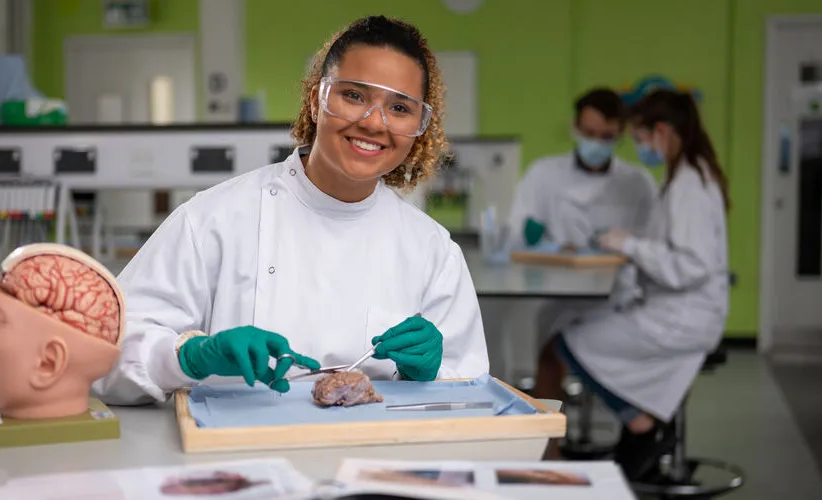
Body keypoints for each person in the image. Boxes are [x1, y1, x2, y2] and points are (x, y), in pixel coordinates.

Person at [92, 15, 489, 405]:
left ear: (419, 127)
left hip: (373, 461)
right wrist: (188, 357)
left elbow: (471, 395)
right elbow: (103, 359)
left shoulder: (432, 251)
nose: (373, 123)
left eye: (400, 108)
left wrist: (432, 375)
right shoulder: (213, 220)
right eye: (354, 96)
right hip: (236, 459)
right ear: (317, 99)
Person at [539, 89, 730, 480]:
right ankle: (639, 427)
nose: (640, 148)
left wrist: (631, 245)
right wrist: (635, 239)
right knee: (570, 333)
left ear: (661, 131)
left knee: (565, 342)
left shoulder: (689, 183)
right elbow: (678, 246)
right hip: (676, 310)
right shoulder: (687, 175)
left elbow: (691, 265)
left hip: (681, 317)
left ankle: (639, 424)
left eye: (640, 139)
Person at [510, 88, 658, 402]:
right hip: (560, 296)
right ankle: (551, 447)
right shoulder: (543, 174)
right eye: (590, 133)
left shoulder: (638, 183)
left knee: (610, 355)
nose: (596, 144)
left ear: (620, 136)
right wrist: (537, 241)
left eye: (606, 137)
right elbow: (518, 236)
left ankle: (629, 438)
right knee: (550, 352)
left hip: (619, 299)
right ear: (575, 128)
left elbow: (654, 248)